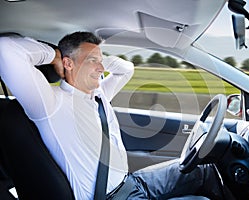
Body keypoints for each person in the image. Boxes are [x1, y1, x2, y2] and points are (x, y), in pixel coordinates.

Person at [0, 32, 225, 199]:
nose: (101, 68)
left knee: (206, 171)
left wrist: (91, 60)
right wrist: (57, 57)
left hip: (133, 182)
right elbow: (5, 50)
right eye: (93, 61)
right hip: (111, 197)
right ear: (67, 64)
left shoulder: (99, 94)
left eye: (101, 60)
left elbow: (126, 69)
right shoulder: (50, 103)